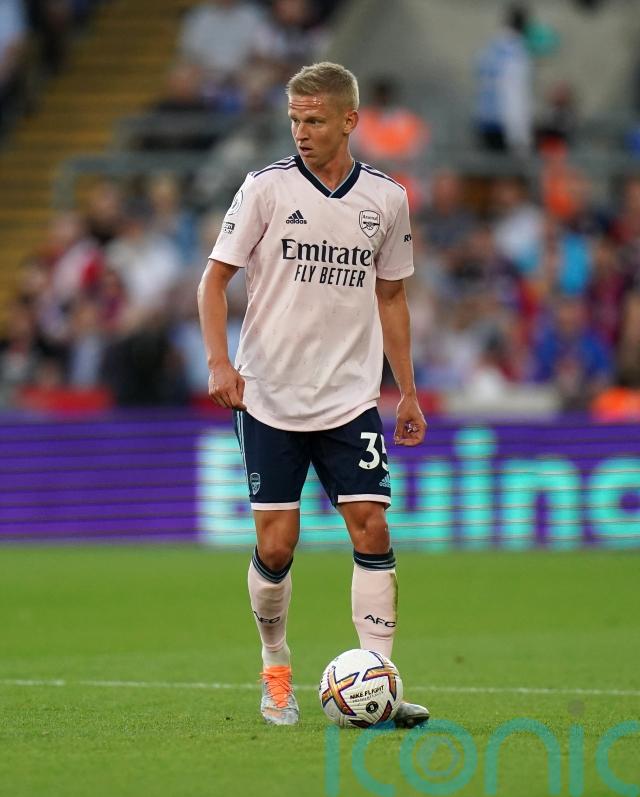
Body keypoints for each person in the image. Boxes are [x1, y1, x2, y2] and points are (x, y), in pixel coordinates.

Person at [198, 62, 429, 728]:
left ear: (350, 120)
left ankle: (379, 682)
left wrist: (407, 391)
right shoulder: (265, 188)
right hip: (269, 394)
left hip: (349, 397)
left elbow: (392, 296)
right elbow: (213, 282)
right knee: (277, 545)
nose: (301, 132)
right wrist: (220, 362)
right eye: (295, 120)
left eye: (315, 120)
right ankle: (276, 671)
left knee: (372, 526)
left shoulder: (386, 199)